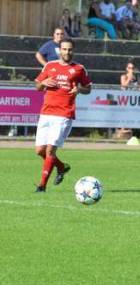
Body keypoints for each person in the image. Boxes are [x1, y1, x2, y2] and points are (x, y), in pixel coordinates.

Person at [33, 38, 92, 192]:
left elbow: (88, 88)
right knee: (40, 150)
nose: (67, 52)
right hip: (46, 112)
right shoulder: (50, 66)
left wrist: (79, 90)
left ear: (73, 50)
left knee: (50, 150)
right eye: (64, 49)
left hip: (64, 113)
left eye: (70, 49)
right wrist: (44, 83)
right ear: (60, 50)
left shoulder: (79, 68)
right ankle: (61, 167)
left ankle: (42, 186)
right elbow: (38, 86)